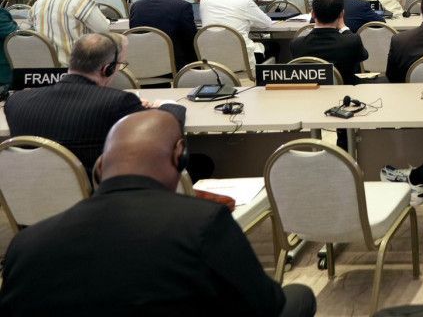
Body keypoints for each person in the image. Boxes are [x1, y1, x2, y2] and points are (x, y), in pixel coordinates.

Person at [0, 110, 316, 316]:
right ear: (180, 156)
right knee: (299, 296)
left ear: (99, 167)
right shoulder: (202, 224)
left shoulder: (26, 244)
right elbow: (265, 305)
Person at [4, 33, 143, 172]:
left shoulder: (16, 102)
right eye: (120, 65)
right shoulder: (119, 103)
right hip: (91, 185)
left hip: (28, 184)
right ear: (107, 69)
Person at [29, 0, 110, 66]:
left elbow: (31, 30)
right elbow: (104, 30)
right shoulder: (82, 1)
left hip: (45, 68)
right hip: (76, 66)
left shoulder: (38, 3)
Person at [288, 0, 368, 85]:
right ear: (341, 14)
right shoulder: (352, 41)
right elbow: (364, 55)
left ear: (313, 14)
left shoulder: (296, 44)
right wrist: (344, 28)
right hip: (344, 92)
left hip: (311, 92)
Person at [198, 0, 272, 70]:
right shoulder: (244, 1)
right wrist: (248, 22)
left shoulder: (204, 1)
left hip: (212, 62)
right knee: (274, 46)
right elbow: (266, 23)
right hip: (242, 60)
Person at [128, 0, 197, 68]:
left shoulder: (136, 6)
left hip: (141, 64)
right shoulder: (183, 6)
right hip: (172, 65)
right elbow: (191, 39)